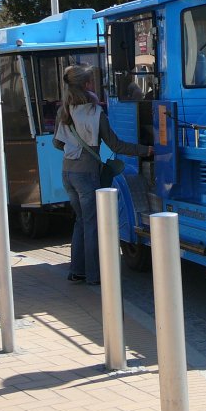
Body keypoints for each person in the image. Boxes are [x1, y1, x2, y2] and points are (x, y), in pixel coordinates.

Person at [53, 66, 153, 285]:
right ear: (87, 85)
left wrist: (74, 149)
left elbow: (57, 143)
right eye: (91, 82)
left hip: (67, 172)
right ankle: (94, 276)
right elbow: (116, 145)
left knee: (81, 221)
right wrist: (146, 150)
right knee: (91, 224)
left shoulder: (65, 110)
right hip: (86, 174)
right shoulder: (94, 112)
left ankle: (76, 271)